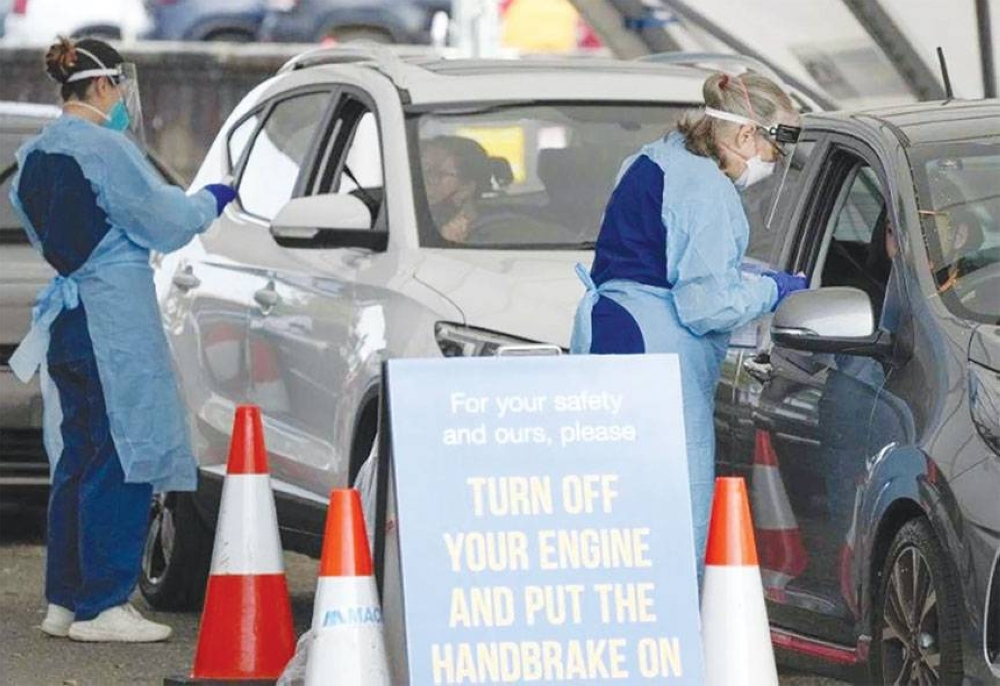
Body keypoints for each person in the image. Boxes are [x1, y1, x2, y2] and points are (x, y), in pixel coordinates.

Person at [8, 37, 236, 642]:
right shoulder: (106, 149)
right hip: (113, 320)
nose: (122, 99)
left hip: (67, 320)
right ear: (105, 86)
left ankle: (64, 600)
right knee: (121, 455)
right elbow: (162, 220)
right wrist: (210, 201)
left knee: (78, 459)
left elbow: (41, 226)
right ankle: (103, 606)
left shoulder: (33, 155)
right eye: (119, 88)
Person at [570, 72, 808, 584]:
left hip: (610, 336)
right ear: (747, 134)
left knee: (614, 503)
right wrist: (774, 290)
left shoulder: (655, 158)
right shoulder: (706, 188)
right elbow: (707, 305)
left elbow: (659, 256)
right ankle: (670, 634)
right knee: (672, 508)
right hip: (655, 355)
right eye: (777, 144)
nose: (777, 161)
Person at [421, 135, 493, 242]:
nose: (426, 179)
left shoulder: (488, 235)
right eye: (424, 169)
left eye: (440, 174)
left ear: (466, 189)